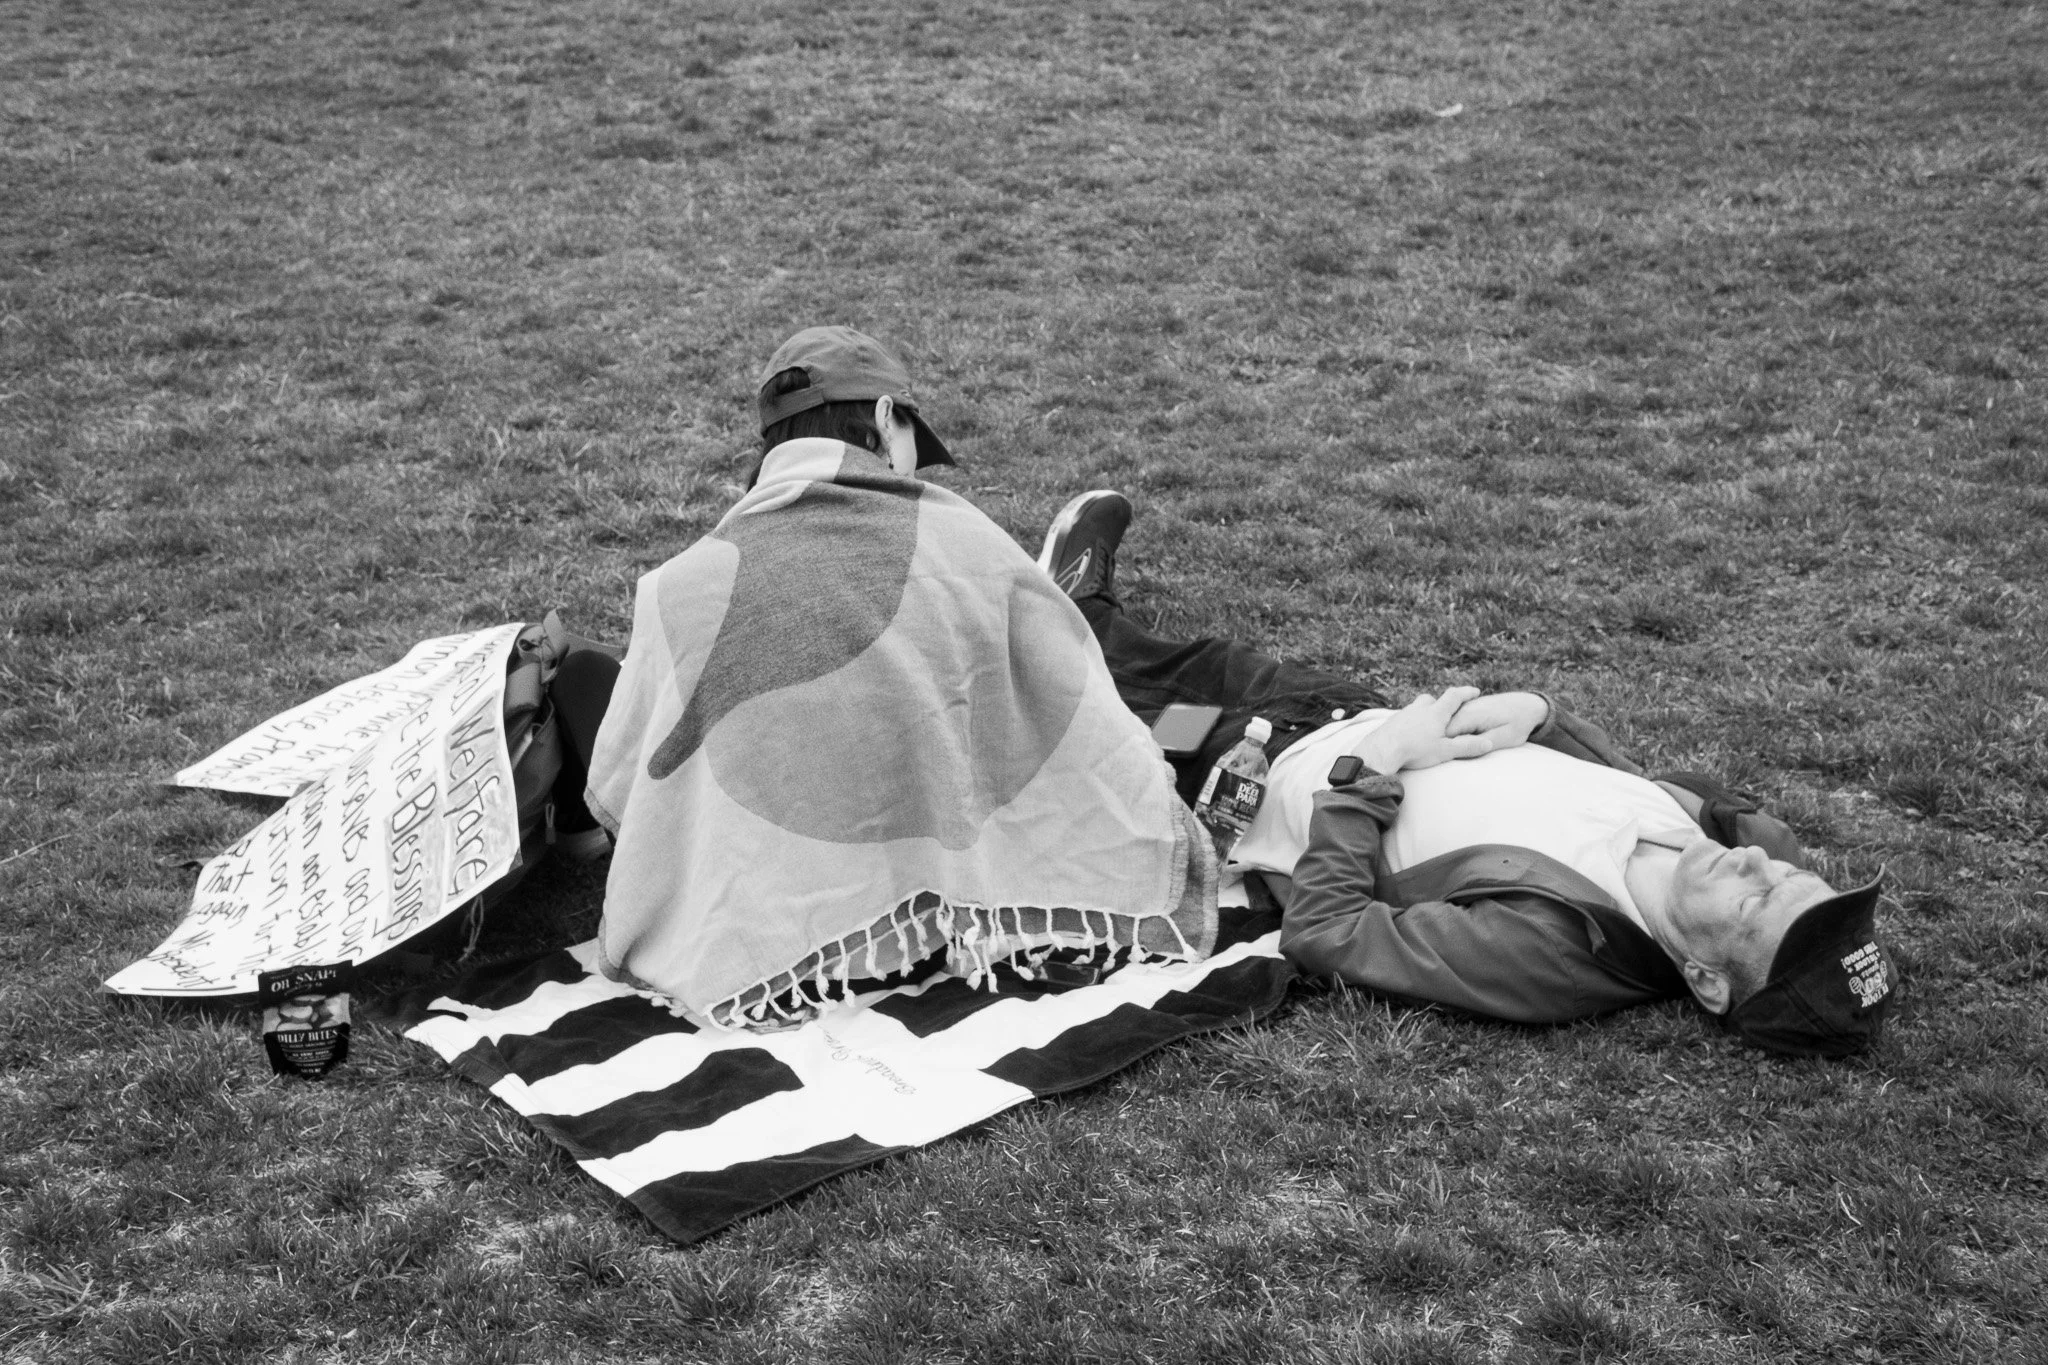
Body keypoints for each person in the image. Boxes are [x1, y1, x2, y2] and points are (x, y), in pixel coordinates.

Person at [1035, 490, 1896, 1057]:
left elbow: (1328, 932)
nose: (1755, 863)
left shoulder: (1555, 955)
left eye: (1754, 900)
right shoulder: (1715, 840)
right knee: (1205, 661)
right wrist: (1542, 716)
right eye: (1788, 873)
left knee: (1098, 700)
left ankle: (1072, 613)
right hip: (1339, 708)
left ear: (1705, 980)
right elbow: (1610, 788)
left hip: (1255, 766)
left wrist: (1373, 768)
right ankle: (1088, 613)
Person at [573, 330, 1217, 1029]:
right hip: (953, 926)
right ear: (884, 418)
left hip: (750, 957)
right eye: (912, 438)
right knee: (1102, 656)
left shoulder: (674, 589)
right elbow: (1088, 723)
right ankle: (1081, 577)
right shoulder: (964, 542)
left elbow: (628, 792)